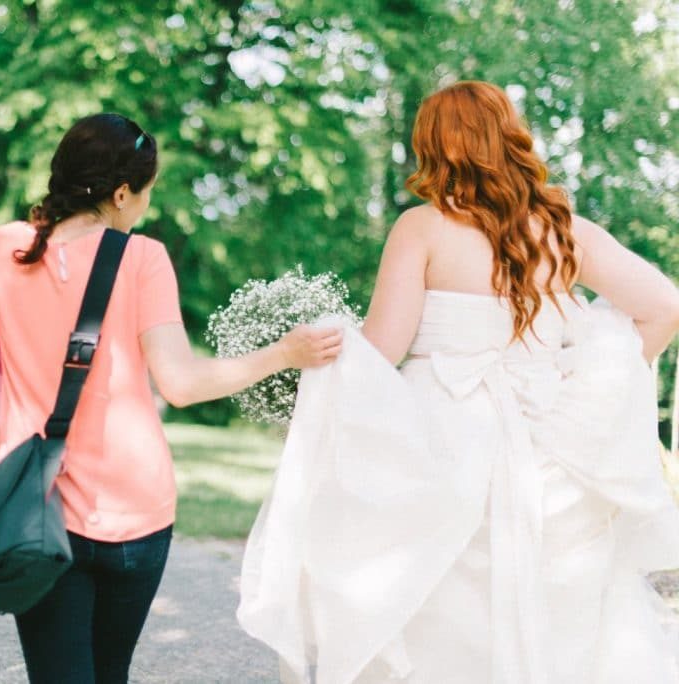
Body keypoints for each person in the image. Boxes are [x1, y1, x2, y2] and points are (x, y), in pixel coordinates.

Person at [238, 81, 679, 683]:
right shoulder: (565, 230)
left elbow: (382, 350)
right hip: (551, 449)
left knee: (434, 609)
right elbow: (664, 308)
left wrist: (308, 356)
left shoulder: (421, 228)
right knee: (562, 611)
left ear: (434, 148)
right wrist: (592, 386)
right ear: (510, 138)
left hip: (442, 441)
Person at [0, 113, 342, 684]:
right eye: (147, 191)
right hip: (136, 509)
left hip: (39, 510)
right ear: (120, 193)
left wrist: (23, 443)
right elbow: (181, 384)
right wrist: (285, 353)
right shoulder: (141, 259)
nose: (146, 204)